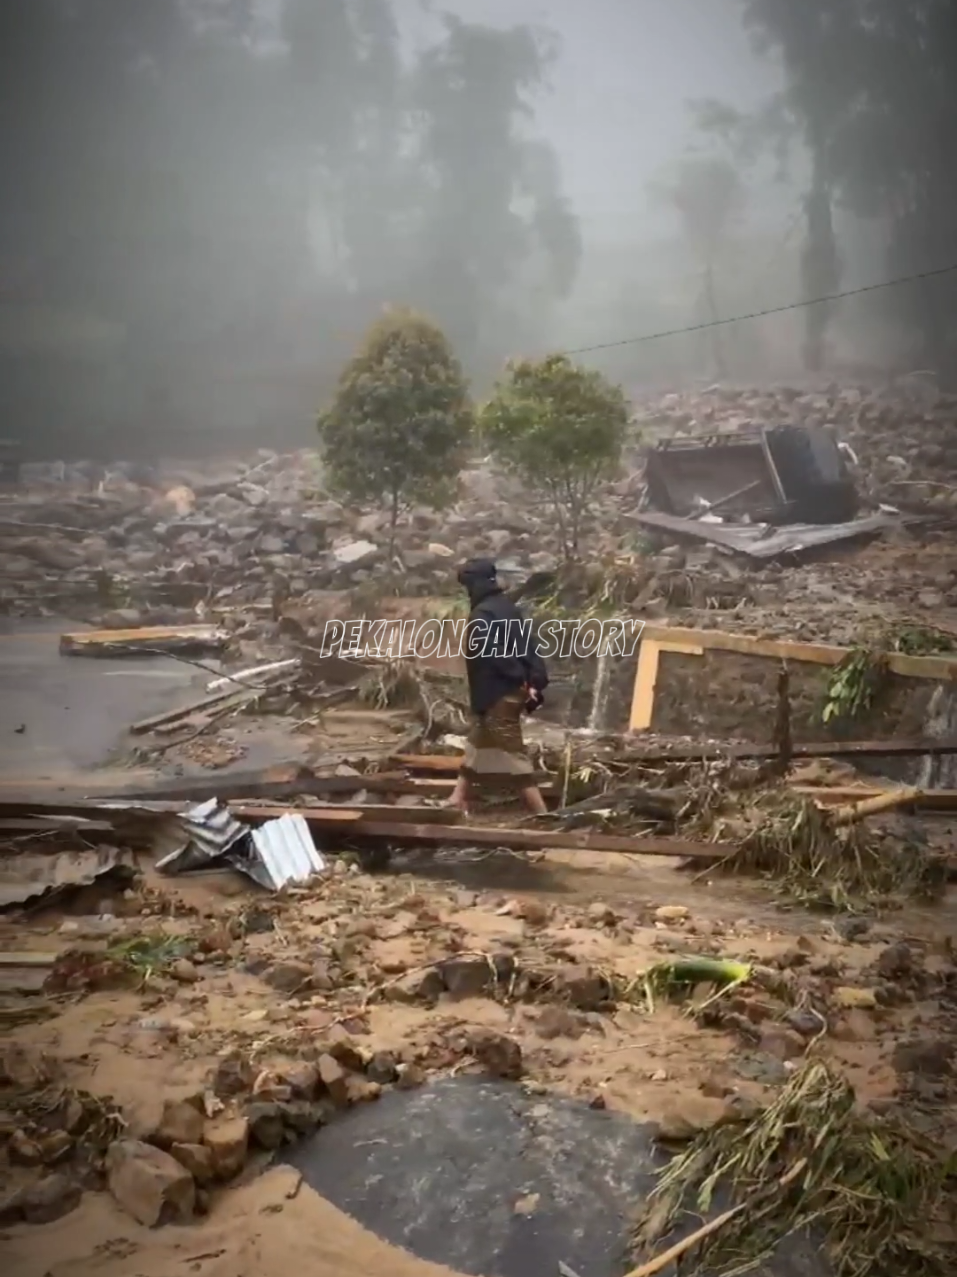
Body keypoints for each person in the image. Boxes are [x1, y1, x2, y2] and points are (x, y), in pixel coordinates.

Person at [448, 558, 549, 817]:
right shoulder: (507, 608)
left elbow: (492, 655)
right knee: (475, 746)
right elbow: (529, 649)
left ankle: (543, 813)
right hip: (502, 694)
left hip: (497, 695)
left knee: (514, 757)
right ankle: (456, 798)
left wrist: (518, 679)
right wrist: (533, 681)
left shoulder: (482, 615)